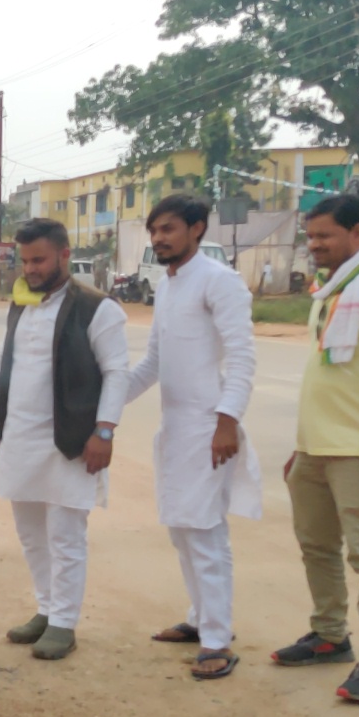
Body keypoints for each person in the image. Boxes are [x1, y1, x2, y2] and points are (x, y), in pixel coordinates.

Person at [0, 219, 130, 661]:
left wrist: (105, 430)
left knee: (65, 535)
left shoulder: (98, 308)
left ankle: (64, 623)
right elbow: (3, 364)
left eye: (39, 260)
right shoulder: (22, 304)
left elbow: (116, 373)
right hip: (21, 437)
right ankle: (45, 608)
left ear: (64, 254)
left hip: (72, 440)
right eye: (25, 260)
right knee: (31, 534)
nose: (31, 269)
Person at [273, 194, 359, 702]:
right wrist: (301, 445)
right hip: (315, 448)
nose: (314, 245)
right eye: (310, 236)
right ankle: (330, 635)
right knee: (316, 547)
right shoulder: (332, 290)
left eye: (324, 236)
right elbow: (329, 377)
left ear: (358, 233)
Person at [126, 194, 261, 680]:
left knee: (204, 531)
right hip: (176, 426)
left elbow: (243, 357)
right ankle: (201, 617)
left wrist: (227, 421)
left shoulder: (220, 282)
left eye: (168, 229)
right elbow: (153, 363)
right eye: (154, 230)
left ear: (197, 229)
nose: (159, 238)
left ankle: (217, 640)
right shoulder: (167, 285)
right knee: (182, 529)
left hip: (209, 426)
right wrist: (104, 403)